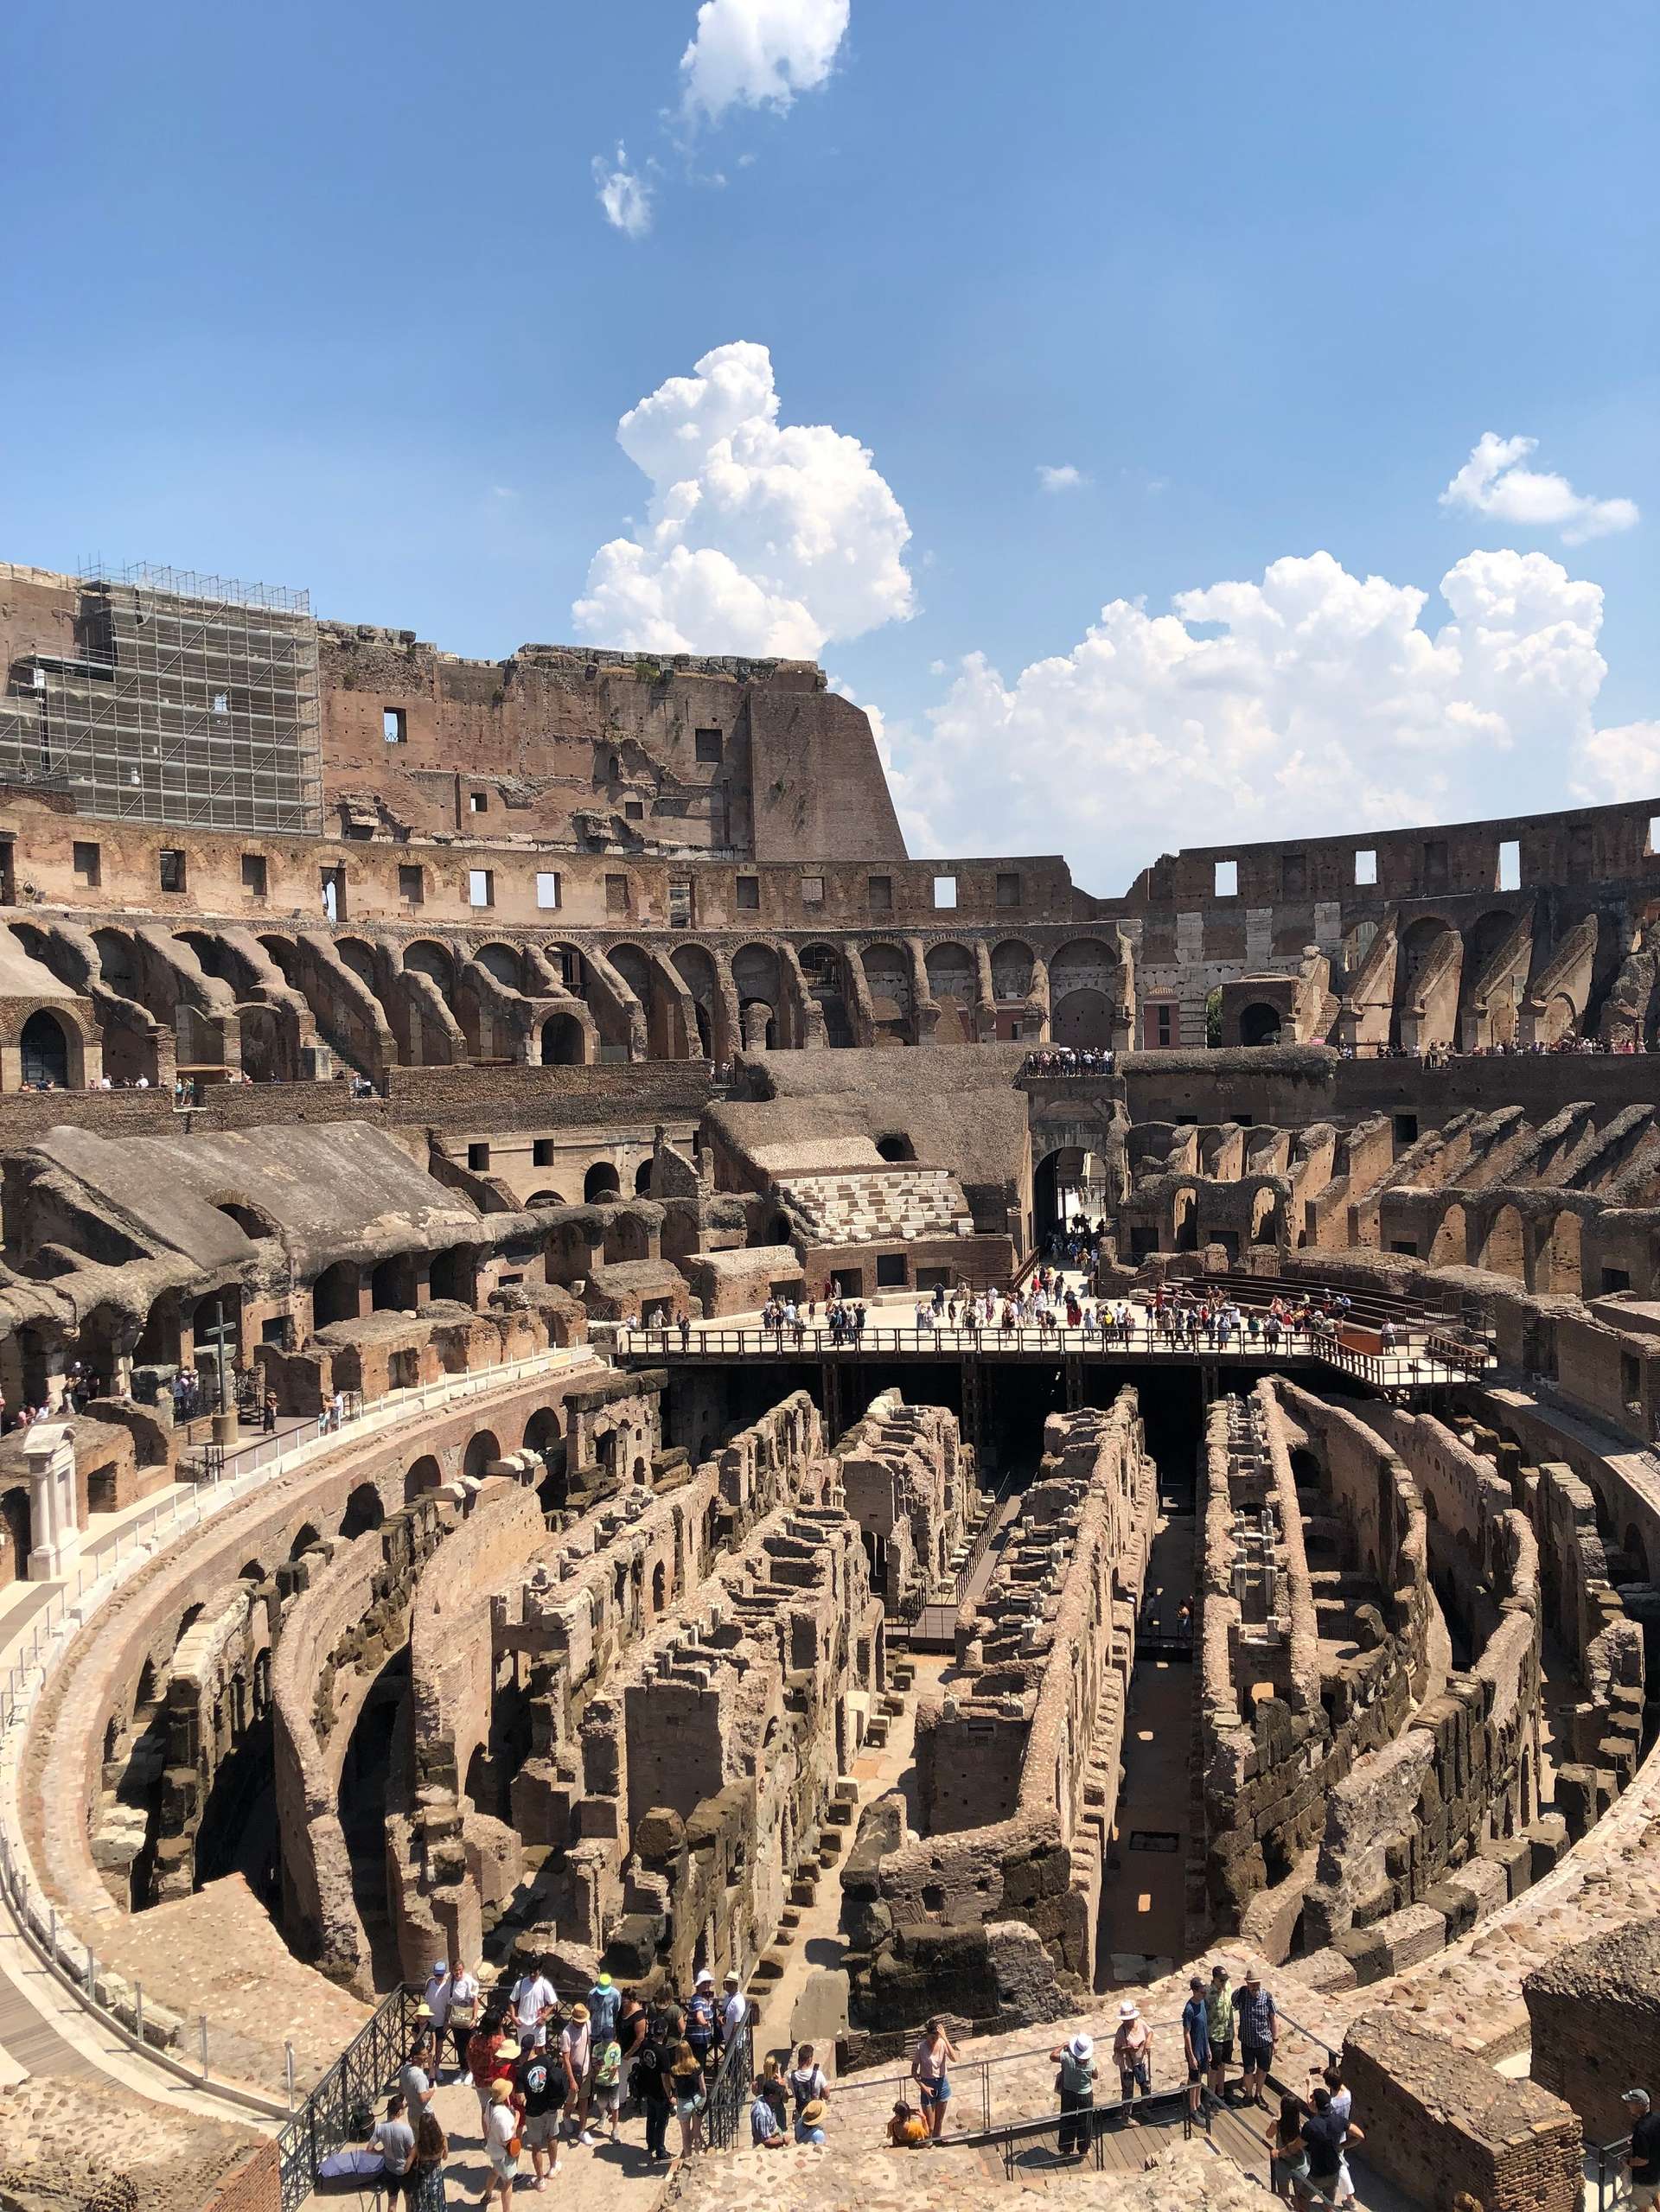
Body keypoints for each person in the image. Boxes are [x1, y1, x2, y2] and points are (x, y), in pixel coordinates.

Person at [514, 2037, 565, 2187]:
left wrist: (529, 2100)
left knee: (536, 2146)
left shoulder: (521, 2071)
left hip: (533, 2112)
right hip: (549, 2107)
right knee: (552, 2137)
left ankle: (540, 2180)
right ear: (534, 2046)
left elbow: (520, 2098)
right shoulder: (546, 2060)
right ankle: (553, 2166)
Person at [1302, 2084, 1362, 2205]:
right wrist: (1342, 2146)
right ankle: (1349, 2199)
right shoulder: (1347, 2097)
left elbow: (1311, 2105)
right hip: (1338, 2142)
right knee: (1329, 2202)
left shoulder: (1313, 2124)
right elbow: (1360, 2135)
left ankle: (1351, 2199)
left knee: (1302, 2198)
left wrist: (1309, 2085)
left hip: (1319, 2170)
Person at [629, 2019, 672, 2164]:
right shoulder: (663, 2052)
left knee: (651, 2117)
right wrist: (670, 2094)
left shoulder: (646, 2044)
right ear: (664, 2033)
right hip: (660, 2092)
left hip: (648, 2087)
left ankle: (651, 2144)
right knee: (661, 2122)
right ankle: (660, 2150)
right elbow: (665, 2077)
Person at [1050, 2032, 1096, 2161]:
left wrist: (1062, 2045)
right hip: (1085, 2094)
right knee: (1085, 2121)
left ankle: (1066, 2148)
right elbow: (1096, 2075)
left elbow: (1053, 2056)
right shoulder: (1090, 2063)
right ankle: (1084, 2149)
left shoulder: (1066, 2058)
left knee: (1067, 2119)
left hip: (1069, 2092)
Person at [911, 2016, 958, 2142]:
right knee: (930, 2126)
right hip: (927, 2085)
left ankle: (937, 2144)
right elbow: (914, 2072)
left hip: (942, 2084)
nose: (934, 2040)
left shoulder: (942, 2043)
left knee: (939, 2123)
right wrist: (924, 2087)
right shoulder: (920, 2047)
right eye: (932, 2038)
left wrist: (945, 2037)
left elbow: (954, 2058)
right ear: (927, 2035)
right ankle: (926, 2145)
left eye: (936, 2038)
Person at [1238, 1969, 1278, 2108]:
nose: (1255, 1986)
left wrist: (1275, 2040)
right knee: (1248, 2070)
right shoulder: (1241, 1995)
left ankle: (1258, 2094)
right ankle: (1248, 2094)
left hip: (1264, 2042)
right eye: (1252, 1984)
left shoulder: (1267, 1997)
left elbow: (1273, 2019)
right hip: (1247, 2041)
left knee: (1263, 2069)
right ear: (1247, 1983)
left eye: (1257, 1983)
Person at [370, 2093, 418, 2208]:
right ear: (399, 2112)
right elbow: (412, 2151)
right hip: (404, 2169)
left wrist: (382, 2152)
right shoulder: (406, 2129)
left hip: (389, 2168)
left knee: (392, 2203)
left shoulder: (380, 2127)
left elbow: (369, 2149)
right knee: (408, 2201)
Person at [559, 2002, 593, 2145]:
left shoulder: (587, 2024)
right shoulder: (567, 2033)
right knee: (571, 2102)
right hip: (572, 2072)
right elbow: (566, 2059)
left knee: (584, 2101)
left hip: (585, 2070)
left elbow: (588, 2043)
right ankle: (566, 2116)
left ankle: (582, 2130)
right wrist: (571, 2079)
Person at [483, 2078, 520, 2212]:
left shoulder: (489, 2104)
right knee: (508, 2183)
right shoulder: (503, 2116)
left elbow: (484, 2120)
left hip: (493, 2146)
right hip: (503, 2153)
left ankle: (487, 2195)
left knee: (495, 2171)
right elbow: (507, 2139)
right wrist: (516, 2121)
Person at [1267, 2092, 1308, 2203]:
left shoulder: (1277, 2124)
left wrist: (1276, 2118)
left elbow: (1268, 2135)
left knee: (1284, 2197)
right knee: (1301, 2199)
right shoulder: (1301, 2126)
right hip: (1300, 2164)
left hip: (1283, 2164)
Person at [1113, 1999, 1152, 2113]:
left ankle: (1146, 2110)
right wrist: (1128, 2049)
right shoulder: (1121, 2031)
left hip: (1140, 2062)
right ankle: (1126, 2115)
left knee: (1145, 2086)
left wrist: (1148, 2042)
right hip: (1127, 2065)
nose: (1127, 2022)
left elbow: (1150, 2032)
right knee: (1128, 2090)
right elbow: (1116, 2049)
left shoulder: (1141, 2024)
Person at [1205, 1964, 1236, 2105]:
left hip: (1227, 2033)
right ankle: (1211, 2095)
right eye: (1221, 1980)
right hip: (1214, 2035)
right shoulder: (1208, 1993)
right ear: (1214, 1979)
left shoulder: (1228, 1987)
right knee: (1214, 2066)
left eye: (1225, 1979)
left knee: (1223, 2063)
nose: (1224, 1982)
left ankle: (1221, 2092)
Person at [1182, 1974, 1211, 2118]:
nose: (1204, 1994)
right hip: (1194, 2050)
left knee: (1200, 2078)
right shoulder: (1189, 2009)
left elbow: (1204, 2027)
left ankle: (1198, 2104)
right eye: (1202, 1992)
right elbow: (1186, 2033)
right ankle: (1192, 2109)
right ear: (1194, 1991)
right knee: (1193, 2080)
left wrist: (1208, 2048)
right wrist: (1191, 2055)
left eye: (1205, 1991)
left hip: (1203, 2047)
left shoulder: (1202, 2003)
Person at [670, 2042, 706, 2158]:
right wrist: (705, 2099)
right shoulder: (696, 2066)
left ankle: (688, 2158)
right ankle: (697, 2155)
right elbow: (703, 2087)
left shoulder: (675, 2070)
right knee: (696, 2132)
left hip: (683, 2103)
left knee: (685, 2134)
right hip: (696, 2101)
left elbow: (674, 2086)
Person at [512, 1960, 557, 2052]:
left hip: (537, 2023)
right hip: (522, 2024)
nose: (532, 1974)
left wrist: (544, 2016)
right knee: (523, 2049)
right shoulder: (520, 1984)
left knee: (540, 2048)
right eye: (530, 1972)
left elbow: (553, 2002)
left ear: (539, 1971)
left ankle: (544, 2066)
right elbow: (512, 2000)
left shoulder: (544, 1984)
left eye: (534, 1972)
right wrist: (513, 2016)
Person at [446, 1960, 480, 2080]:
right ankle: (463, 2070)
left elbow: (475, 2001)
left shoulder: (469, 1981)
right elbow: (450, 2002)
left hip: (468, 2017)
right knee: (459, 2046)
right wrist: (448, 2019)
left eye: (460, 1969)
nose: (458, 1972)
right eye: (456, 1969)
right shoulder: (450, 1982)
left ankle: (471, 2071)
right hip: (457, 2019)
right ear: (452, 1970)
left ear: (463, 1969)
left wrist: (475, 2018)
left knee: (470, 2045)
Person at [591, 2027, 623, 2145]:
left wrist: (612, 2073)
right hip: (600, 2081)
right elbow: (594, 2063)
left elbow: (616, 2064)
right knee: (601, 2103)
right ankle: (603, 2113)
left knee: (615, 2106)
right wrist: (597, 2069)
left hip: (613, 2081)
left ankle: (615, 2130)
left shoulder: (616, 2047)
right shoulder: (596, 2048)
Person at [1628, 2090, 1660, 2209]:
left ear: (1639, 2105)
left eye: (1630, 2103)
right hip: (1656, 2172)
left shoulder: (1641, 2129)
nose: (1628, 2105)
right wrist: (1636, 2140)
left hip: (1643, 2178)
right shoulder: (1657, 2118)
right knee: (1656, 2195)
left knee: (1643, 2206)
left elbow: (1643, 2160)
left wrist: (1627, 2162)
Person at [684, 1969, 718, 2077]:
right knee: (697, 2067)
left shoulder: (705, 1999)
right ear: (699, 1985)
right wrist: (705, 2024)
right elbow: (700, 2017)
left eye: (708, 1982)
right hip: (696, 2040)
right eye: (705, 1982)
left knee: (699, 2065)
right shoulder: (697, 2000)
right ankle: (697, 2088)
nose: (707, 1985)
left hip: (702, 2039)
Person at [413, 2108, 448, 2212]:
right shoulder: (443, 2140)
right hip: (436, 2175)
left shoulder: (419, 2146)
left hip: (422, 2179)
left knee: (423, 2206)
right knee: (437, 2204)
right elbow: (445, 2157)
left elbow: (416, 2160)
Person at [788, 2042, 828, 2121]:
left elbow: (793, 2094)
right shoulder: (818, 2075)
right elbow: (826, 2095)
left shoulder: (790, 2077)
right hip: (816, 2113)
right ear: (809, 2059)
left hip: (801, 2114)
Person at [750, 2077, 788, 2147]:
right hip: (765, 2147)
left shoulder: (761, 2098)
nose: (780, 2097)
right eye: (778, 2095)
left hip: (773, 2134)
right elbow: (765, 2140)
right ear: (771, 2096)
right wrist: (783, 2140)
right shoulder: (763, 2114)